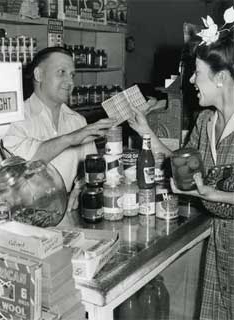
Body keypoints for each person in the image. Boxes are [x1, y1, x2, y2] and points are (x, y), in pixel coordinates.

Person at [128, 13, 234, 320]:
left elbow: (214, 193)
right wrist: (146, 132)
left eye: (196, 73)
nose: (190, 81)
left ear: (221, 78)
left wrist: (219, 196)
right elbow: (180, 163)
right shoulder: (205, 122)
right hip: (220, 250)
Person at [2, 46, 115, 211]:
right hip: (23, 218)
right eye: (61, 72)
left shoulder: (77, 121)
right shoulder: (14, 119)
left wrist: (81, 188)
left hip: (68, 215)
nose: (70, 82)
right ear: (39, 75)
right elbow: (24, 166)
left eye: (72, 75)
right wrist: (69, 139)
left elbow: (89, 170)